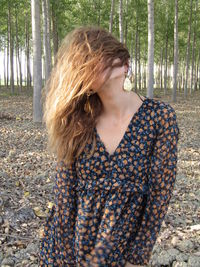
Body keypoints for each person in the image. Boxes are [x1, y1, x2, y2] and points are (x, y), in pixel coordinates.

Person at [39, 25, 180, 267]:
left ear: (125, 65)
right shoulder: (77, 120)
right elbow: (64, 195)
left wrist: (138, 257)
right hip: (70, 248)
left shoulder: (160, 117)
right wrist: (65, 257)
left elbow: (160, 194)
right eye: (88, 60)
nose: (98, 64)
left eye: (103, 56)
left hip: (122, 250)